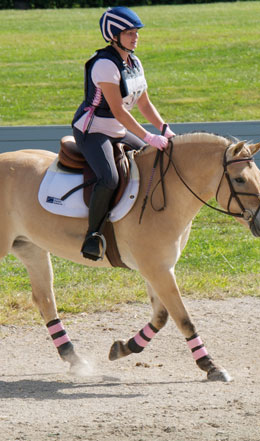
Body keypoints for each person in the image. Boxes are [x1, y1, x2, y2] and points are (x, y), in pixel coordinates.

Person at [72, 6, 175, 261]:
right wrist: (148, 137)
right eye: (129, 33)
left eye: (136, 32)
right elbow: (119, 111)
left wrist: (163, 128)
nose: (135, 37)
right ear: (113, 36)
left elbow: (144, 104)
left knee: (150, 161)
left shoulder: (134, 62)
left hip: (118, 129)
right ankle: (93, 236)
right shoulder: (105, 65)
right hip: (93, 130)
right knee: (108, 178)